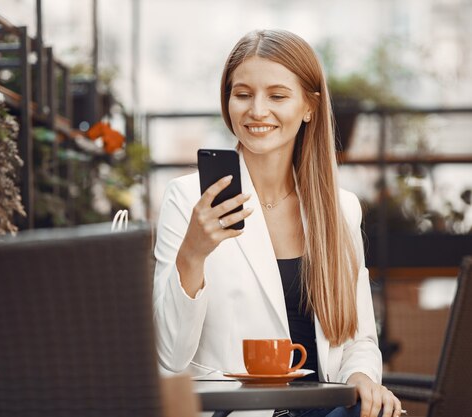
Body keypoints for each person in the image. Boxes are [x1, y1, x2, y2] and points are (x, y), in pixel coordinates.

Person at [152, 29, 402, 417]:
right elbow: (169, 354)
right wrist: (193, 254)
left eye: (277, 96)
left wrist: (361, 379)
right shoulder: (187, 200)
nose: (257, 110)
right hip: (237, 411)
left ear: (309, 107)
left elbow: (359, 340)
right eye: (243, 94)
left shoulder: (340, 209)